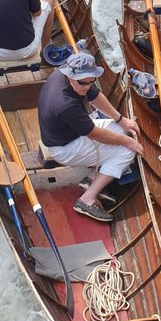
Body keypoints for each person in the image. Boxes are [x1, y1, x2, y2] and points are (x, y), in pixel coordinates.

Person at [38, 51, 143, 223]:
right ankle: (87, 199)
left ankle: (93, 177)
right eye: (82, 83)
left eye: (91, 82)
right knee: (126, 151)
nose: (86, 87)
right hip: (65, 148)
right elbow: (95, 134)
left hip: (72, 135)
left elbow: (95, 97)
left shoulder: (66, 75)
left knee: (121, 129)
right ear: (71, 76)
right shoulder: (65, 104)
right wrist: (128, 142)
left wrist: (121, 119)